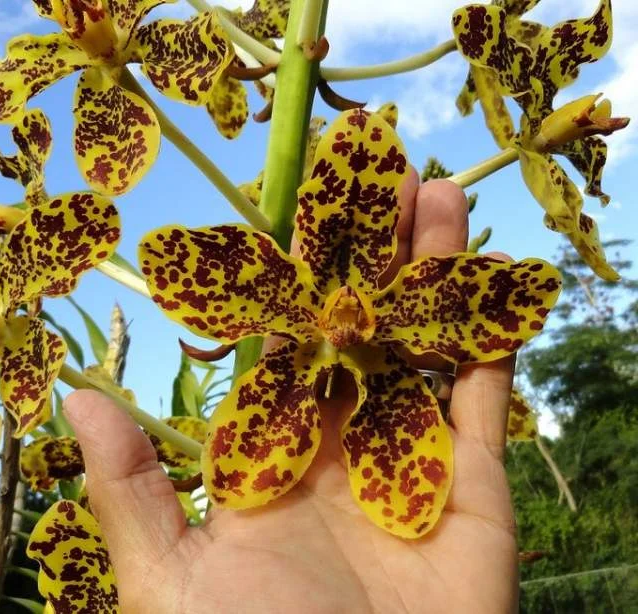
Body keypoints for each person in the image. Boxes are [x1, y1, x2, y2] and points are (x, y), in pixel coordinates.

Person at [65, 175, 519, 613]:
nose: (346, 322)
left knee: (407, 502)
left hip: (382, 389)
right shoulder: (289, 362)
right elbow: (176, 263)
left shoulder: (375, 367)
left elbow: (512, 300)